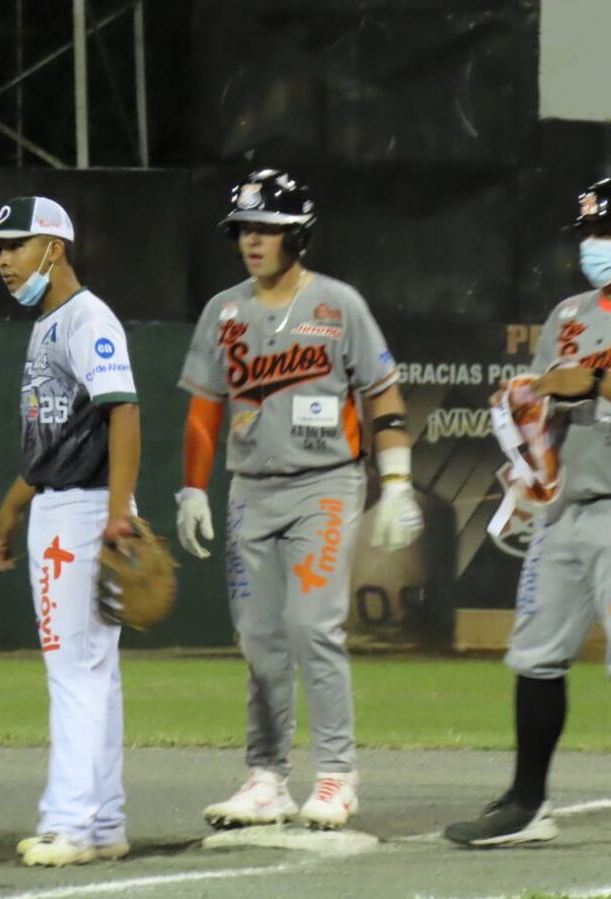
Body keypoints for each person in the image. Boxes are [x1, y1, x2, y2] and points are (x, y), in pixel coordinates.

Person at [445, 178, 611, 858]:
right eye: (589, 232)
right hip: (565, 508)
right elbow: (545, 407)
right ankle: (527, 802)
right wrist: (526, 444)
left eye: (610, 230)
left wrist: (592, 380)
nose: (595, 244)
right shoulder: (567, 315)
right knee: (534, 655)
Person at [175, 169, 424, 830]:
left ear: (297, 234)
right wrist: (193, 487)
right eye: (244, 229)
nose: (252, 241)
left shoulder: (339, 304)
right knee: (258, 639)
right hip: (251, 489)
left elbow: (383, 394)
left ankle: (338, 775)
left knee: (313, 626)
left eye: (267, 229)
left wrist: (396, 481)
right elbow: (204, 410)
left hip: (325, 485)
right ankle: (266, 779)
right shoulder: (224, 311)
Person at [0, 196, 142, 865]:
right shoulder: (49, 324)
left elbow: (123, 410)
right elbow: (58, 440)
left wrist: (118, 513)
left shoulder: (85, 317)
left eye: (15, 245)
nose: (3, 260)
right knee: (93, 670)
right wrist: (11, 509)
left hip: (83, 510)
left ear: (55, 248)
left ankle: (68, 823)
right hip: (61, 502)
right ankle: (102, 822)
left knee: (73, 669)